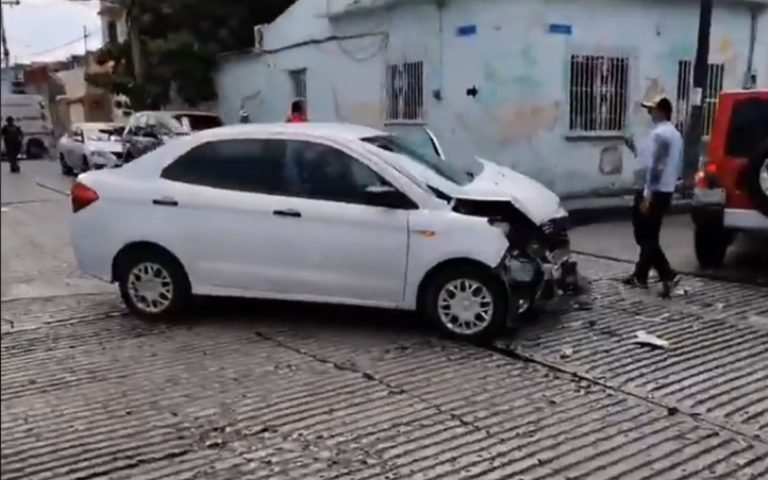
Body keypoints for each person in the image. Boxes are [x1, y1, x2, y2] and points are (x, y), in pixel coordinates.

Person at [621, 95, 683, 298]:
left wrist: (648, 194)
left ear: (662, 111)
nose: (649, 113)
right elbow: (649, 158)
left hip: (654, 190)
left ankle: (668, 274)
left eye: (652, 109)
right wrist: (634, 148)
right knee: (650, 235)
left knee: (644, 236)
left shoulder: (662, 134)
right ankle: (641, 275)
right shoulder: (670, 133)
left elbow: (657, 165)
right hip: (663, 190)